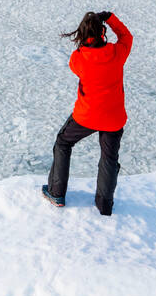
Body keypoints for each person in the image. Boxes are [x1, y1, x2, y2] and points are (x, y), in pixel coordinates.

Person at [42, 11, 133, 215]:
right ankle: (104, 205)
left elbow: (77, 64)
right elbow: (126, 36)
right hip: (113, 117)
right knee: (109, 158)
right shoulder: (118, 53)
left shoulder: (78, 59)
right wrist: (109, 18)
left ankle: (57, 192)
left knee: (63, 142)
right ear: (103, 32)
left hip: (86, 117)